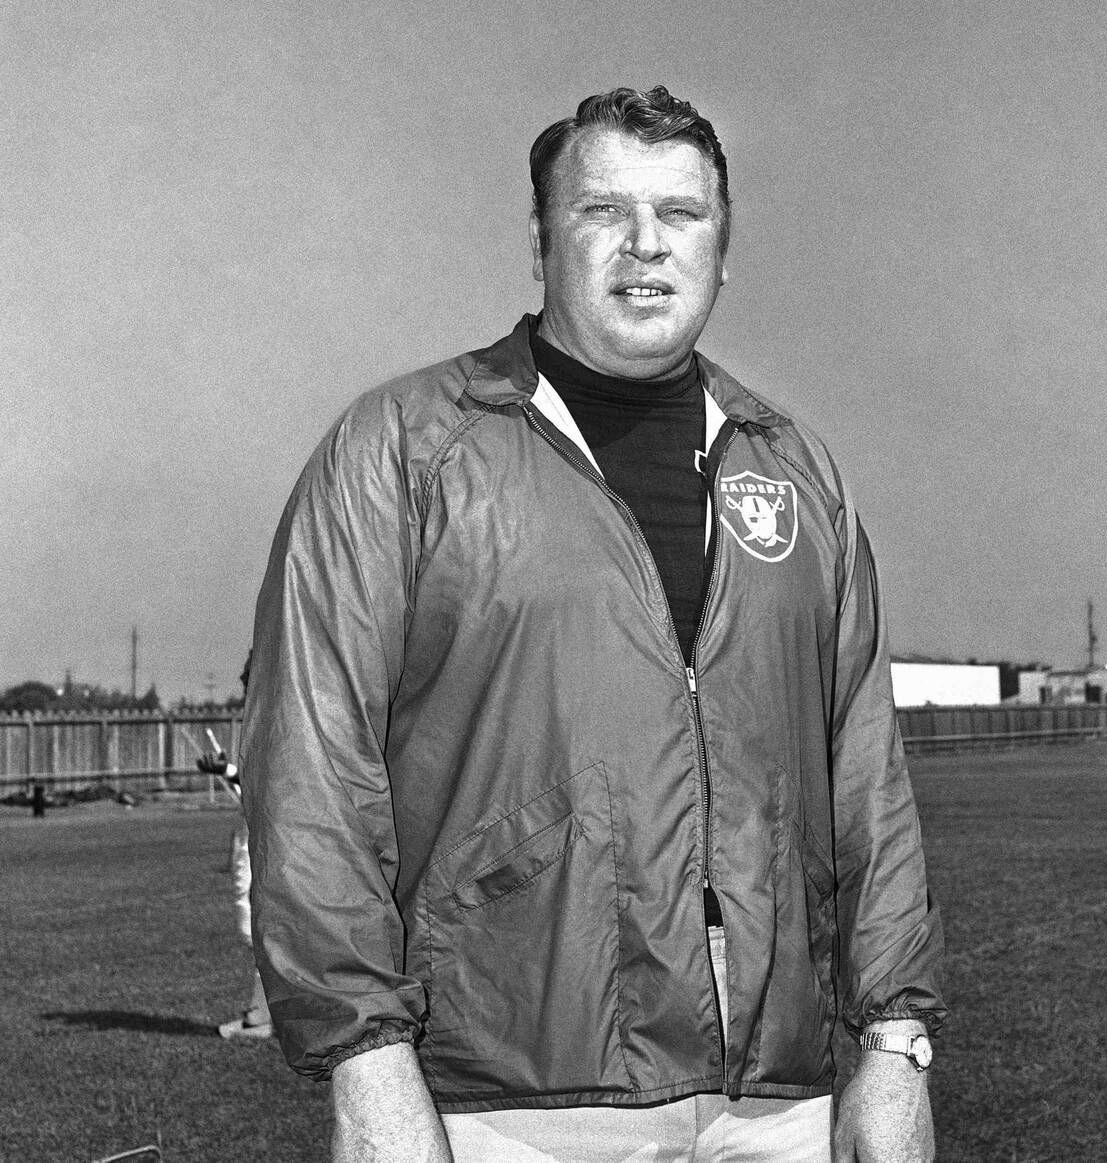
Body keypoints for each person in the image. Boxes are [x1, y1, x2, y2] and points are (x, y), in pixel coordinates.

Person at [241, 85, 946, 1162]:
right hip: (509, 1101)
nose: (646, 245)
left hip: (776, 1104)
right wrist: (365, 1063)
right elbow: (311, 768)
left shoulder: (792, 471)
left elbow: (868, 776)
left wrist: (895, 1038)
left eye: (682, 213)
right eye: (602, 210)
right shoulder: (402, 451)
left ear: (726, 246)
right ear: (539, 240)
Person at [198, 653, 272, 1043]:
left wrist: (228, 771)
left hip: (269, 835)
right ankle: (265, 1012)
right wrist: (225, 769)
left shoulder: (278, 719)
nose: (243, 682)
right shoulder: (260, 719)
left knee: (257, 925)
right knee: (255, 925)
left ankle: (263, 1016)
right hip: (254, 829)